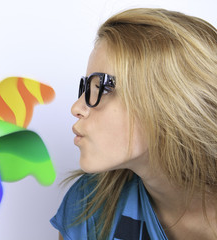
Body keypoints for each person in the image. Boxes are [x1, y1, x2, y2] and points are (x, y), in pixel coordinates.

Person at [51, 8, 217, 240]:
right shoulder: (89, 206)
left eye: (103, 87)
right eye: (87, 87)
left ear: (170, 102)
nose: (77, 108)